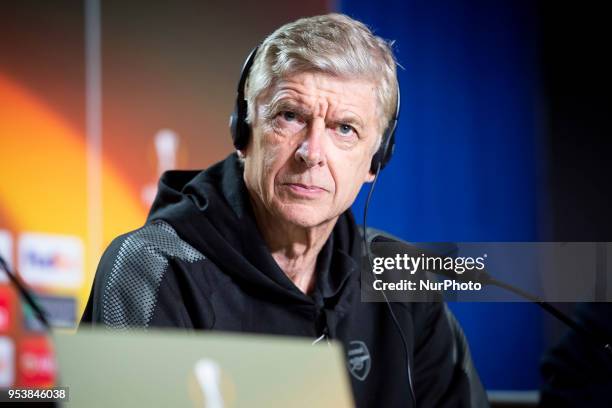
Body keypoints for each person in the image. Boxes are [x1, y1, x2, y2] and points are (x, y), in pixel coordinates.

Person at [81, 13, 487, 407]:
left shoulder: (400, 277)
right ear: (244, 133)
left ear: (376, 160)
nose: (312, 154)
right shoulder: (151, 268)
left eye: (344, 128)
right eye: (289, 117)